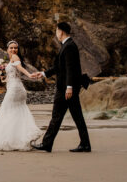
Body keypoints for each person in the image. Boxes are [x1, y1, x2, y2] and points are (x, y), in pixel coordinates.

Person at [32, 22, 92, 153]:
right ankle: (85, 144)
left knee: (57, 116)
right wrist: (43, 74)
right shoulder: (67, 45)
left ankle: (47, 143)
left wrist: (69, 87)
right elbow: (60, 67)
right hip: (68, 88)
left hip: (65, 89)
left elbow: (71, 69)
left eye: (56, 31)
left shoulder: (69, 46)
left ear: (61, 31)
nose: (56, 33)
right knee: (76, 117)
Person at [0, 41, 43, 151]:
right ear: (7, 49)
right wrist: (3, 76)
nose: (13, 50)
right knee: (16, 112)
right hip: (16, 88)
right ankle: (21, 138)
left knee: (6, 111)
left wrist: (29, 75)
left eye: (15, 48)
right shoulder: (9, 60)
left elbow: (20, 68)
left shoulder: (15, 57)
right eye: (11, 48)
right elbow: (11, 77)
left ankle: (0, 140)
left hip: (15, 90)